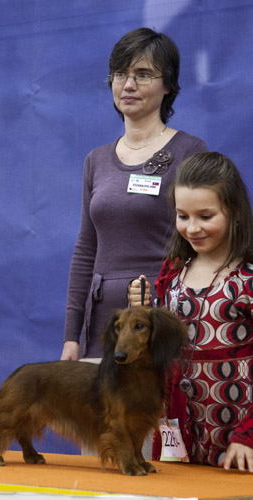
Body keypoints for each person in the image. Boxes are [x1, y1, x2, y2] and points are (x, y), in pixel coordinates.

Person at [61, 27, 208, 362]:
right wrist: (72, 335)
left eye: (142, 75)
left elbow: (205, 243)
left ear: (168, 85)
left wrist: (166, 304)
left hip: (160, 321)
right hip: (104, 323)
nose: (128, 85)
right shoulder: (96, 160)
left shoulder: (189, 151)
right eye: (119, 74)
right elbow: (86, 249)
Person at [129, 152, 253, 472]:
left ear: (234, 210)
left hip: (239, 441)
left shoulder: (247, 278)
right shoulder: (174, 271)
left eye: (206, 216)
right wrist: (143, 315)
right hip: (179, 435)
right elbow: (163, 346)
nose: (192, 227)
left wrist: (247, 436)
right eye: (183, 216)